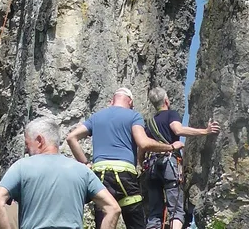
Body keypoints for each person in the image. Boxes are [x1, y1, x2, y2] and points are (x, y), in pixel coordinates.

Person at [65, 87, 182, 229]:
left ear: (111, 101)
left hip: (100, 175)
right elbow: (143, 143)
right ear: (130, 102)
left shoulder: (96, 117)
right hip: (125, 175)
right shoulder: (133, 116)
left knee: (104, 219)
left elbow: (71, 138)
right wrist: (171, 147)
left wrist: (85, 163)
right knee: (136, 223)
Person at [0, 116, 121, 229]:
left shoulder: (21, 167)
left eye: (27, 144)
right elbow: (113, 208)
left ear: (40, 140)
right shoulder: (82, 171)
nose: (26, 150)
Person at [141, 87, 219, 229]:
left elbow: (143, 147)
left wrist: (140, 163)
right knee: (176, 210)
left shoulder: (149, 123)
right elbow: (178, 130)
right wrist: (205, 131)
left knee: (154, 213)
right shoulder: (171, 114)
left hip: (151, 166)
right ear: (166, 101)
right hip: (169, 163)